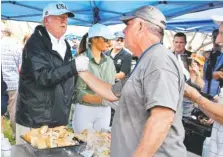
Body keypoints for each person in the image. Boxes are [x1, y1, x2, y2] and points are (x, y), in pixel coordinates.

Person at [78, 6, 186, 157]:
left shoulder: (159, 61)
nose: (123, 32)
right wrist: (81, 71)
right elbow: (112, 92)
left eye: (127, 26)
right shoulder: (147, 60)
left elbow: (162, 118)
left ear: (140, 26)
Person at [16, 2, 89, 144]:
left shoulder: (65, 44)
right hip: (36, 120)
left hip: (58, 118)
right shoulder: (35, 44)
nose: (64, 20)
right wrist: (73, 66)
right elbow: (43, 77)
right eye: (58, 17)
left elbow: (63, 77)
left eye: (66, 17)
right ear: (45, 20)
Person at [185, 15, 223, 157]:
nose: (218, 40)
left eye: (222, 34)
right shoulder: (212, 57)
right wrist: (198, 83)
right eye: (217, 34)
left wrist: (196, 97)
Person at [72, 24, 116, 133]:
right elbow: (77, 92)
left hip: (105, 110)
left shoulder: (109, 61)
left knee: (102, 146)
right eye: (106, 39)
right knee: (83, 146)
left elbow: (111, 87)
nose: (110, 43)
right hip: (85, 110)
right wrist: (102, 99)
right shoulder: (80, 60)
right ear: (94, 39)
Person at [1, 26, 22, 133]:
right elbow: (21, 67)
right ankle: (15, 133)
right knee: (13, 110)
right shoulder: (16, 46)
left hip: (1, 83)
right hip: (13, 82)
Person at [203, 29, 222, 97]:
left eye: (218, 36)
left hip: (218, 97)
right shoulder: (206, 55)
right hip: (205, 94)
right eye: (214, 37)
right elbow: (203, 76)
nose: (216, 39)